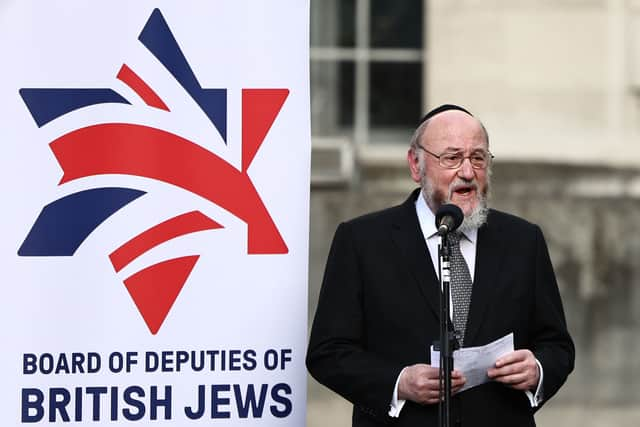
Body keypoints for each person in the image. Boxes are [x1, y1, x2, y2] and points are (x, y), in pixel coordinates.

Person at [306, 104, 574, 427]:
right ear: (416, 166)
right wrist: (398, 382)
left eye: (478, 158)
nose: (467, 172)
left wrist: (538, 370)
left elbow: (557, 346)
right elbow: (327, 352)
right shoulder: (362, 241)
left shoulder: (522, 241)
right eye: (451, 158)